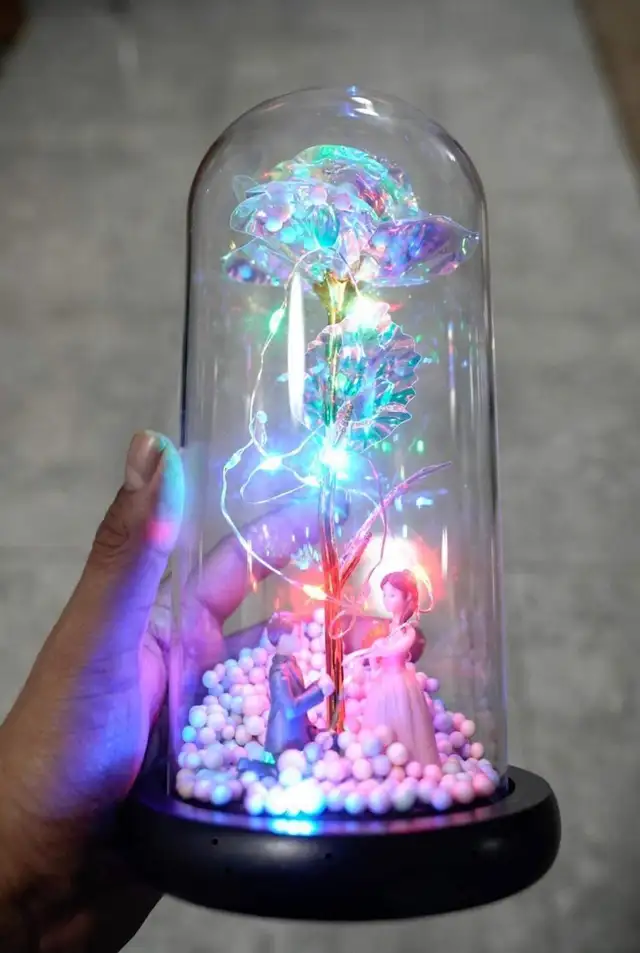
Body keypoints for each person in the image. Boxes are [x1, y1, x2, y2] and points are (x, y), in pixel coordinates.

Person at [0, 430, 325, 953]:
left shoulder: (281, 669)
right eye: (284, 637)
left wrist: (21, 893)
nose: (287, 642)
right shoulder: (275, 674)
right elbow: (289, 704)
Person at [346, 569, 439, 767]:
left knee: (403, 718)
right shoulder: (391, 626)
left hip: (399, 680)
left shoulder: (408, 630)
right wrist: (373, 653)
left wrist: (378, 649)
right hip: (385, 678)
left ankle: (406, 761)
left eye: (392, 595)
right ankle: (382, 761)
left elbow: (397, 649)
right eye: (385, 595)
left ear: (408, 597)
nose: (387, 600)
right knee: (380, 722)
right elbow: (383, 649)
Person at [264, 612, 334, 759]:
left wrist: (318, 684)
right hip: (286, 739)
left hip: (298, 731)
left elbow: (299, 695)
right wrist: (319, 691)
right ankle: (254, 766)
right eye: (297, 636)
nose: (301, 640)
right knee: (288, 766)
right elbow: (291, 709)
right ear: (283, 639)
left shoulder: (291, 662)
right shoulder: (279, 673)